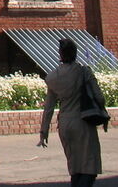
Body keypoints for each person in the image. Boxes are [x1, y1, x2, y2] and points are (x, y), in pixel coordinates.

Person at [38, 38, 105, 187]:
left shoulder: (53, 77)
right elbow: (99, 97)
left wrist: (43, 132)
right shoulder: (83, 72)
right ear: (75, 53)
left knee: (74, 167)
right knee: (89, 166)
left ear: (60, 54)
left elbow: (48, 107)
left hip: (64, 123)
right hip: (83, 121)